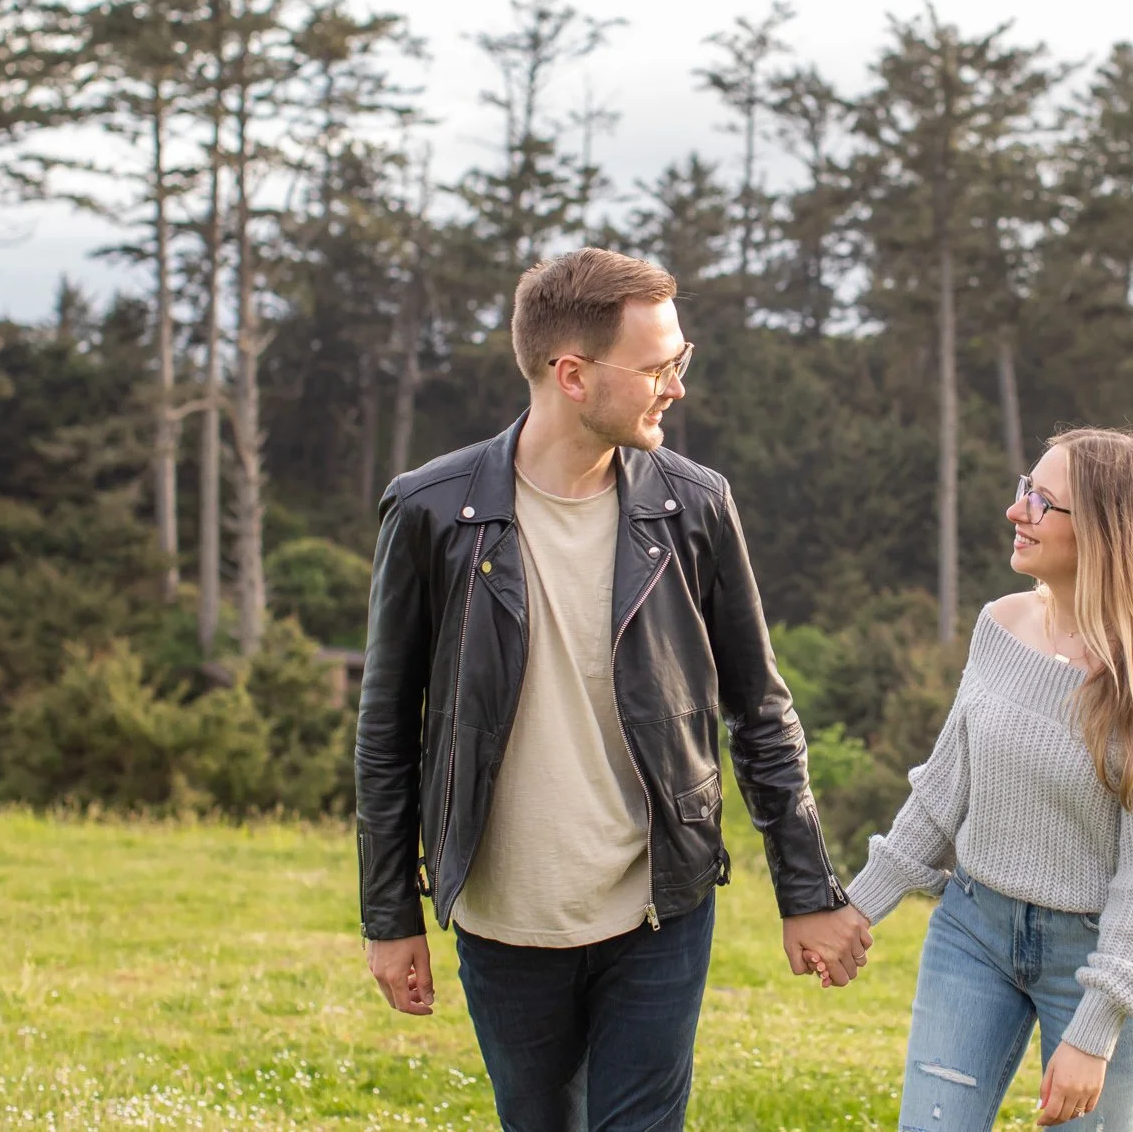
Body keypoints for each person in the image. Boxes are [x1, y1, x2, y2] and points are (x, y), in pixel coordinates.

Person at [353, 247, 869, 1131]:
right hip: (502, 919)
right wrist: (390, 913)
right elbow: (387, 732)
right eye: (659, 366)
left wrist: (808, 889)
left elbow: (761, 709)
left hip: (658, 909)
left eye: (682, 357)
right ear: (573, 374)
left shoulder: (693, 504)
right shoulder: (431, 512)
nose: (677, 384)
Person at [818, 428, 1133, 1130]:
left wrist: (1094, 1030)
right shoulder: (999, 626)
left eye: (1043, 501)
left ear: (1105, 530)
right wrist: (857, 907)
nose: (1017, 511)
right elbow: (944, 790)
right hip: (974, 931)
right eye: (1023, 489)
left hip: (1097, 960)